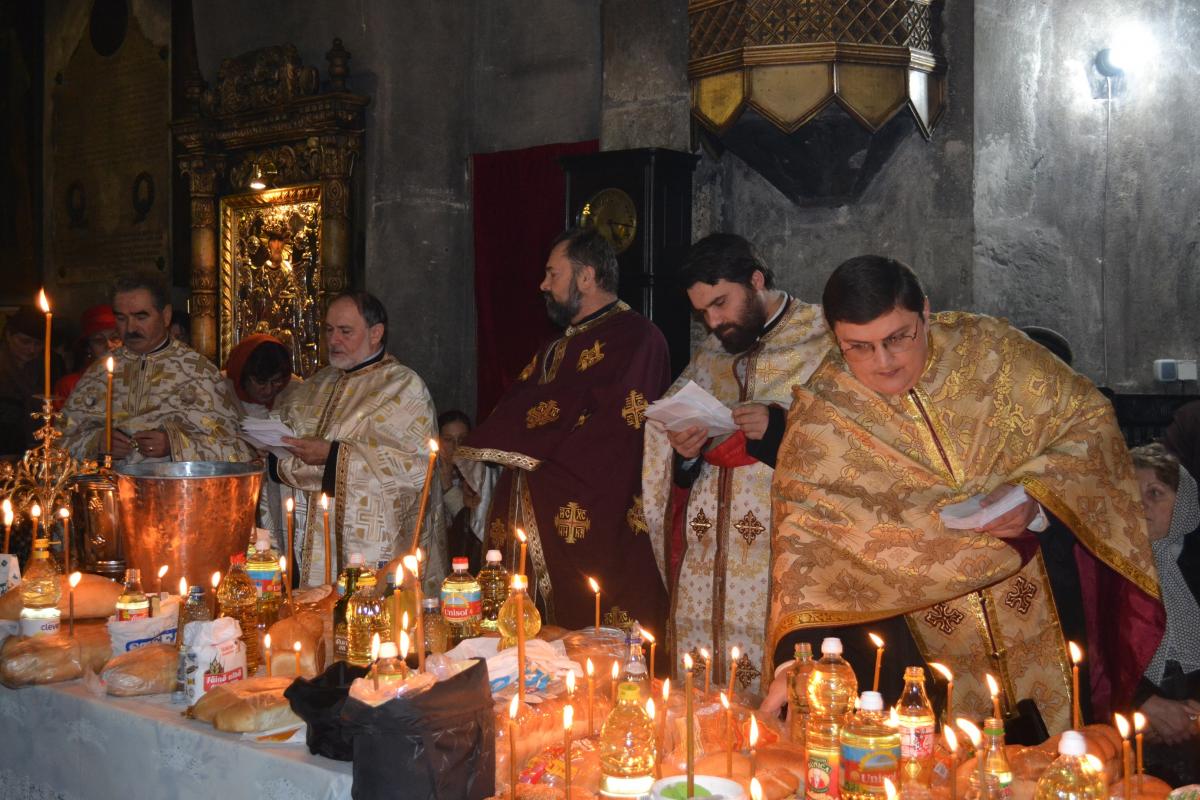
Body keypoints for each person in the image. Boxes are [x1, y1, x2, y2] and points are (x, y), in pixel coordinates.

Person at [763, 255, 1162, 734]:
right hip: (911, 637)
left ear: (925, 313)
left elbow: (1089, 422)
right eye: (859, 348)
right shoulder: (823, 415)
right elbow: (803, 544)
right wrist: (794, 663)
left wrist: (1034, 498)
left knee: (1058, 763)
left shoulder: (992, 351)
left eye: (898, 338)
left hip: (1040, 599)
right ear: (835, 337)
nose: (883, 363)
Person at [457, 228, 670, 634]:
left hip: (597, 518)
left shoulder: (638, 338)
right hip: (532, 508)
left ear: (586, 277)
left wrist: (529, 455)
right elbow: (516, 413)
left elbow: (616, 431)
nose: (543, 285)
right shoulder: (554, 348)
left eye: (552, 274)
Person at [641, 233, 829, 693]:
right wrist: (683, 452)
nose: (714, 321)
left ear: (757, 280)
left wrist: (778, 427)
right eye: (703, 312)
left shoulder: (823, 339)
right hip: (706, 557)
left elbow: (847, 437)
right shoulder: (712, 351)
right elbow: (673, 438)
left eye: (721, 303)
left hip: (781, 551)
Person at [270, 291, 444, 591]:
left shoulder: (404, 387)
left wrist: (333, 455)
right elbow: (282, 439)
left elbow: (414, 470)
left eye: (345, 331)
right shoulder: (313, 385)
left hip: (368, 546)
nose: (333, 340)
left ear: (376, 333)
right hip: (309, 536)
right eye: (329, 330)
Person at [60, 273, 249, 465]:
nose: (130, 327)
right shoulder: (99, 372)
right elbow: (58, 443)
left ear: (166, 316)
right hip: (109, 490)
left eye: (140, 316)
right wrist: (97, 443)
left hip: (176, 490)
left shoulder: (198, 372)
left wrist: (174, 445)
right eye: (121, 318)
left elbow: (236, 450)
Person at [1129, 443, 1200, 784]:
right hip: (1133, 732)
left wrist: (1192, 716)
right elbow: (1100, 657)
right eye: (1130, 494)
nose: (1140, 505)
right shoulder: (1107, 569)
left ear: (1184, 503)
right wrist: (1143, 707)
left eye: (1155, 493)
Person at [224, 334, 298, 548]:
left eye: (276, 382)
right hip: (238, 485)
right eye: (260, 382)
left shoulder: (297, 391)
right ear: (242, 375)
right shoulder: (220, 391)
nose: (269, 390)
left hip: (281, 485)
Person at [0, 306, 62, 456]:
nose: (31, 349)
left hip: (41, 448)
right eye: (25, 342)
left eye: (38, 344)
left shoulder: (52, 363)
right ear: (9, 335)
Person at [438, 410, 482, 572]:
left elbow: (472, 524)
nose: (457, 447)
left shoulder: (480, 475)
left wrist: (448, 487)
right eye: (449, 440)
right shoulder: (427, 473)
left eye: (462, 439)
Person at [54, 304, 120, 405]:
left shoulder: (141, 381)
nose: (109, 345)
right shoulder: (70, 385)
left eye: (115, 338)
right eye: (99, 340)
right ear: (89, 348)